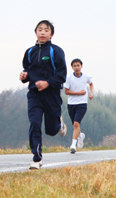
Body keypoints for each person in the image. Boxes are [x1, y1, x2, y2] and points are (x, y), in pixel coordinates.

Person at [19, 20, 67, 169]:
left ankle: (59, 123)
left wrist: (47, 83)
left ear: (51, 34)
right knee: (34, 123)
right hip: (34, 95)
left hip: (51, 94)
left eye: (46, 30)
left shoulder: (56, 51)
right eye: (40, 29)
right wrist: (24, 77)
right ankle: (36, 158)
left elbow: (62, 74)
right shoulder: (29, 52)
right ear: (35, 32)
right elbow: (28, 71)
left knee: (52, 131)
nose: (42, 32)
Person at [64, 58, 94, 154]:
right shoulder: (69, 78)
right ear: (72, 67)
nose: (76, 67)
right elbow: (66, 91)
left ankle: (73, 145)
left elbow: (91, 84)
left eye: (78, 65)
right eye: (74, 66)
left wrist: (91, 93)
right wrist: (78, 93)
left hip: (82, 104)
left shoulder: (86, 76)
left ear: (81, 66)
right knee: (75, 125)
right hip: (71, 104)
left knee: (76, 124)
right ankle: (80, 135)